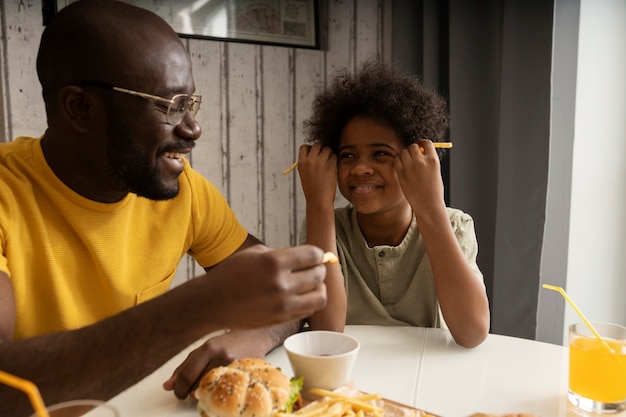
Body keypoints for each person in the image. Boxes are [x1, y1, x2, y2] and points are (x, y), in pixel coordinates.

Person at [0, 1, 343, 415]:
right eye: (169, 105)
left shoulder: (186, 192)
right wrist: (200, 306)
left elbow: (282, 287)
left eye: (190, 104)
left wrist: (254, 335)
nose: (193, 128)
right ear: (80, 108)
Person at [296, 60, 490, 348]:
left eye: (380, 154)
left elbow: (472, 333)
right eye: (348, 155)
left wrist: (430, 206)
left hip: (429, 378)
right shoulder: (326, 226)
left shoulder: (454, 224)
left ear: (417, 158)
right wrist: (318, 206)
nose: (360, 168)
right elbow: (327, 334)